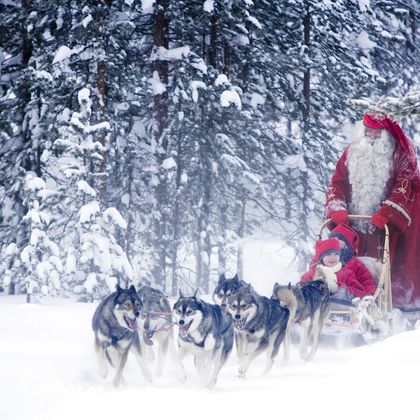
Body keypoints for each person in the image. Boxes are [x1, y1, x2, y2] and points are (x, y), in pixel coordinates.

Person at [325, 112, 420, 309]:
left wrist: (386, 213)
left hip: (385, 227)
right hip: (353, 224)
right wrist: (337, 207)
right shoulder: (351, 153)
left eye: (377, 134)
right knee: (340, 258)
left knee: (384, 266)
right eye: (368, 132)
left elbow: (404, 186)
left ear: (385, 135)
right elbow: (337, 183)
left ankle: (387, 303)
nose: (371, 137)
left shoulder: (399, 156)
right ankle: (340, 297)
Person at [300, 238, 377, 300]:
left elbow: (360, 292)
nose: (333, 258)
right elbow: (302, 286)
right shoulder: (313, 272)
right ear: (322, 257)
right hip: (318, 310)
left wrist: (340, 288)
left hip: (341, 310)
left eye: (336, 254)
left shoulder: (346, 273)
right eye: (329, 254)